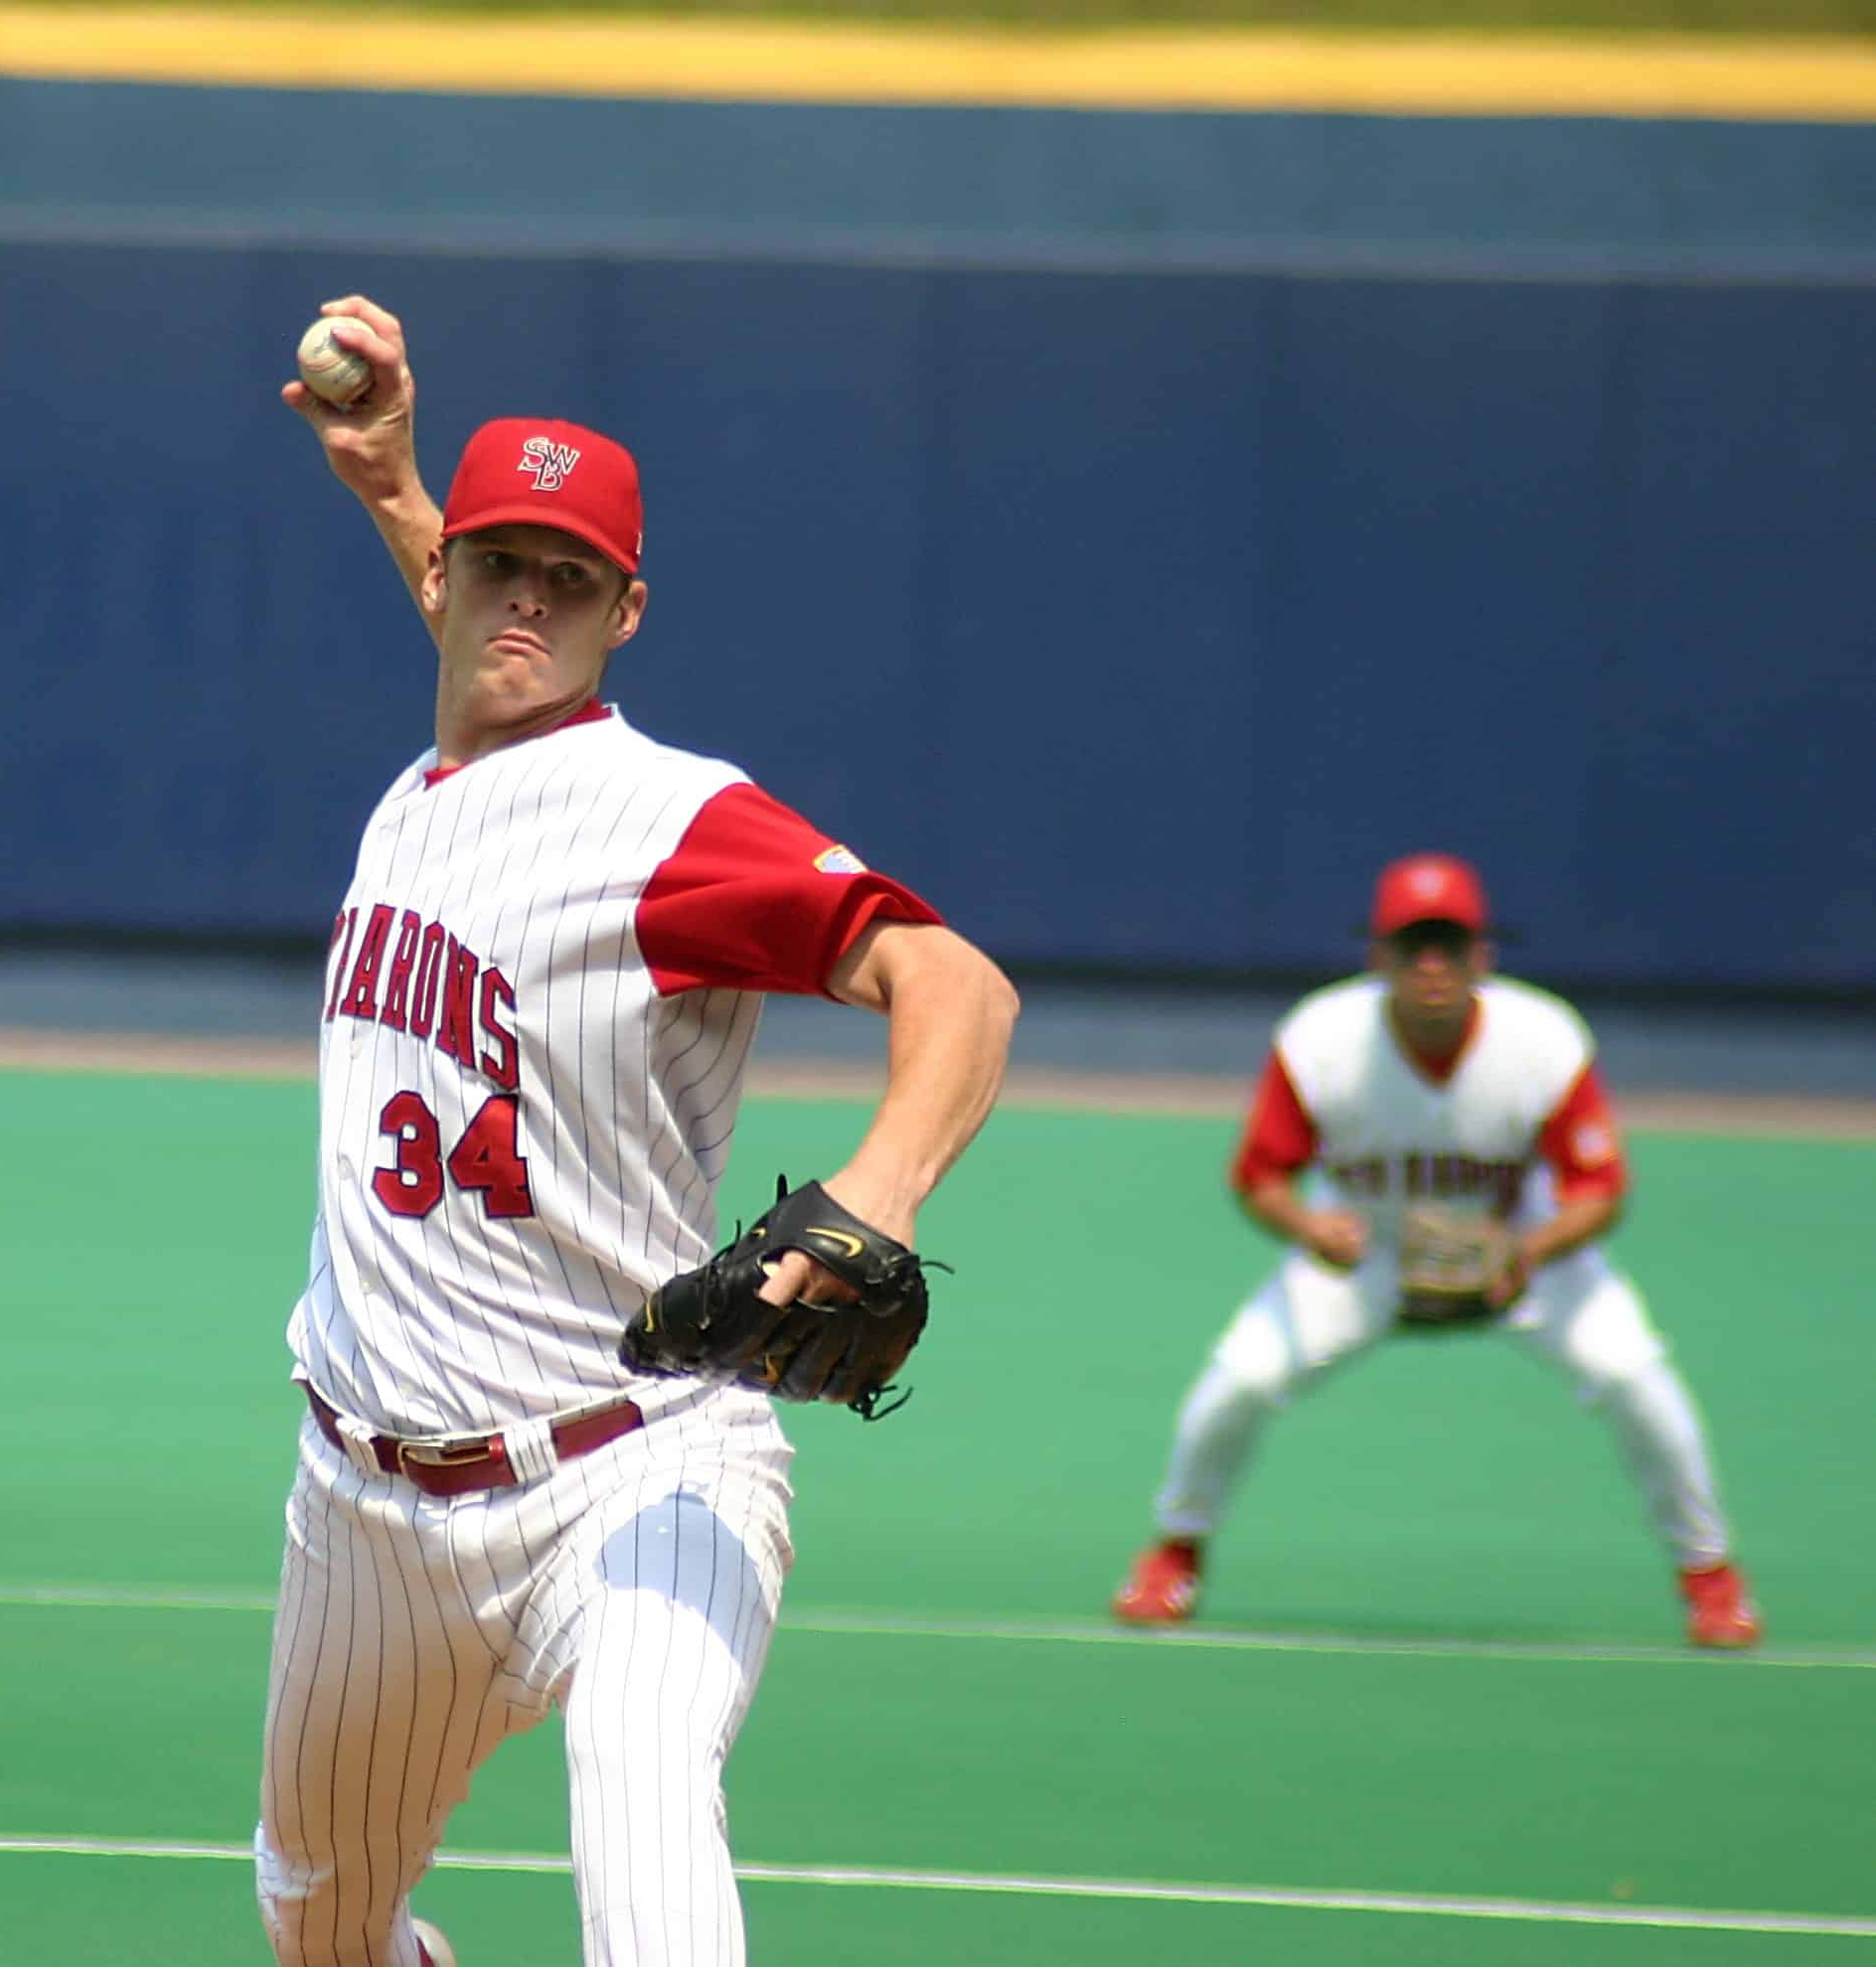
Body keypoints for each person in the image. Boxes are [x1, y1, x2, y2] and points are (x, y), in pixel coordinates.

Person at [252, 295, 1020, 1967]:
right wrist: (386, 475)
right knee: (318, 1927)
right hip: (367, 1506)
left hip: (641, 1461)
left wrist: (878, 1195)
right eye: (503, 562)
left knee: (647, 1818)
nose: (530, 600)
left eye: (573, 579)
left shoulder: (676, 825)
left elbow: (956, 984)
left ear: (627, 611)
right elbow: (485, 669)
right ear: (446, 573)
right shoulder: (433, 785)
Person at [1110, 851, 1762, 1650]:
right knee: (1236, 1385)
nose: (1431, 964)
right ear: (1376, 955)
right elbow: (1258, 1176)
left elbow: (1601, 1189)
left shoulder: (1542, 1039)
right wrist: (1308, 1228)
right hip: (1365, 1249)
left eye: (1449, 944)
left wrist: (1532, 1246)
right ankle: (1175, 1552)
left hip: (1519, 1252)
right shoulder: (1321, 1039)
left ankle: (1711, 1577)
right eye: (1412, 944)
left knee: (1637, 1379)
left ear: (1482, 953)